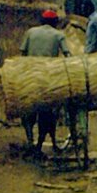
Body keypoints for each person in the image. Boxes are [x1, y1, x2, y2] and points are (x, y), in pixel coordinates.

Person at [20, 9, 71, 157]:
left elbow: (22, 54)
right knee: (46, 113)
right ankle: (40, 144)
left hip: (30, 76)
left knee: (28, 111)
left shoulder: (30, 32)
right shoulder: (58, 35)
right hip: (48, 78)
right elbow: (67, 55)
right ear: (55, 22)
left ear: (41, 21)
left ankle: (30, 141)